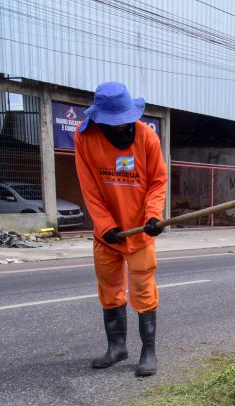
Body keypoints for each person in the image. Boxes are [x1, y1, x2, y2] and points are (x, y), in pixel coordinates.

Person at [74, 82, 168, 377]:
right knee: (109, 289)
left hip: (140, 232)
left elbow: (157, 181)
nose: (118, 128)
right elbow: (90, 189)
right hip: (107, 236)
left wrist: (153, 215)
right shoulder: (84, 137)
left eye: (123, 123)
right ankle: (117, 348)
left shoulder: (147, 137)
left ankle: (148, 350)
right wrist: (105, 226)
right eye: (111, 124)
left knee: (142, 290)